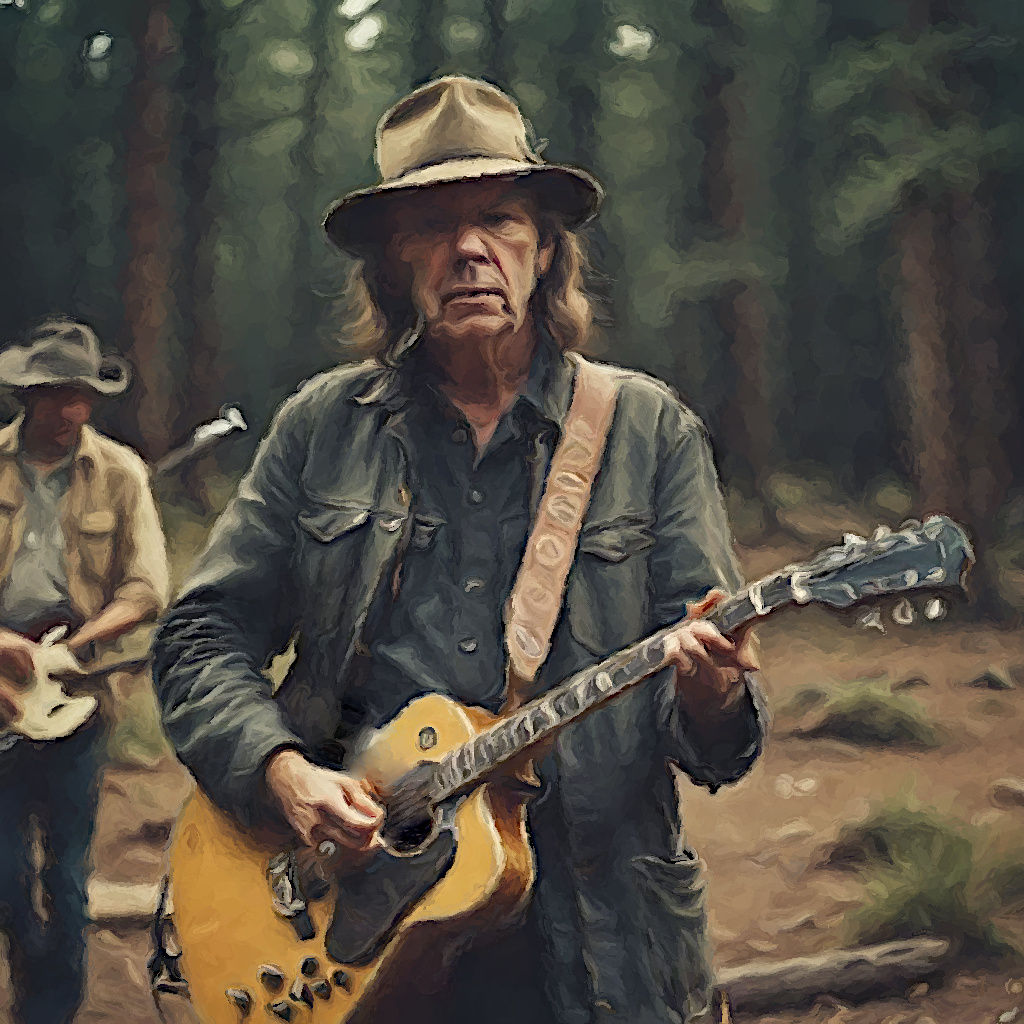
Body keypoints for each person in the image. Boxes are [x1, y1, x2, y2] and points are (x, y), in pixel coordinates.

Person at [154, 76, 768, 1024]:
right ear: (393, 264)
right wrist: (281, 773)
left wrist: (711, 689)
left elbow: (719, 748)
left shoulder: (649, 433)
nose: (469, 248)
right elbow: (199, 639)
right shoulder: (323, 427)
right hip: (358, 928)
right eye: (431, 225)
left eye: (500, 218)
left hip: (598, 943)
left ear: (545, 248)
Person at [0, 317, 170, 1024]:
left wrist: (76, 646)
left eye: (82, 397)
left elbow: (147, 587)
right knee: (8, 873)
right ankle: (31, 975)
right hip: (1, 695)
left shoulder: (121, 473)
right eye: (58, 396)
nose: (71, 412)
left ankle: (53, 1011)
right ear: (30, 396)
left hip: (81, 696)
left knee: (68, 873)